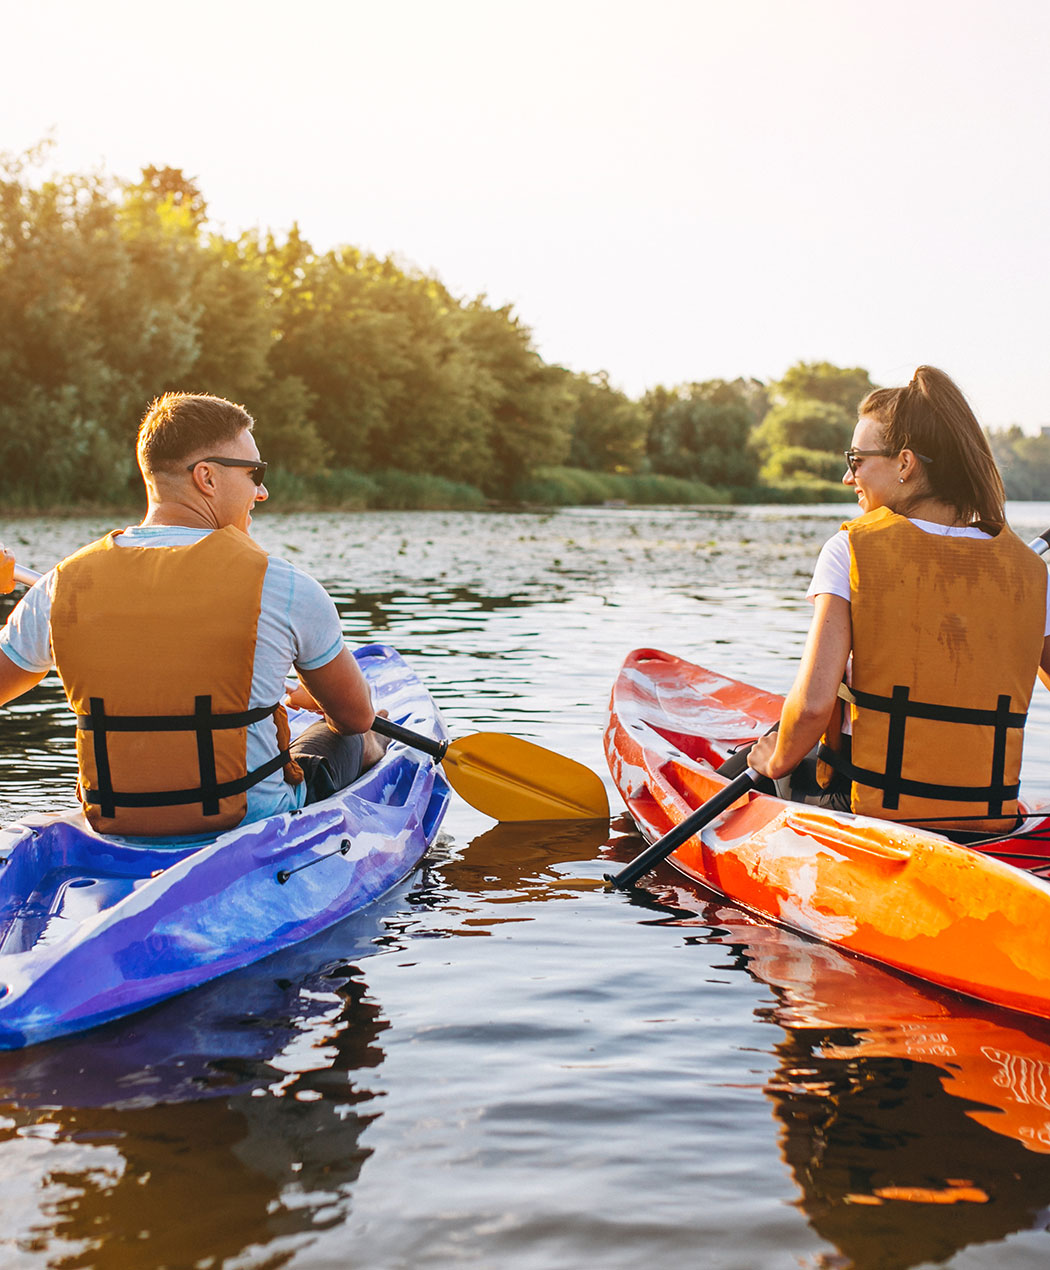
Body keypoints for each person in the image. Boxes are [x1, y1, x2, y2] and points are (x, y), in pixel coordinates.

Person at [0, 392, 387, 838]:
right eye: (254, 473)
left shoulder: (62, 583)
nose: (261, 491)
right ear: (207, 477)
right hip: (253, 821)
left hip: (116, 820)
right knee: (364, 735)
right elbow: (355, 717)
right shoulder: (283, 585)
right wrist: (317, 700)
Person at [742, 366, 1050, 834]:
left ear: (905, 464)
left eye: (857, 459)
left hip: (869, 811)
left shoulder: (850, 549)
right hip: (988, 820)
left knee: (753, 760)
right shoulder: (1029, 571)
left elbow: (810, 709)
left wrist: (776, 760)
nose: (849, 477)